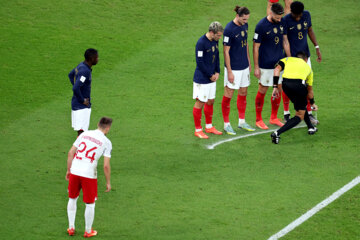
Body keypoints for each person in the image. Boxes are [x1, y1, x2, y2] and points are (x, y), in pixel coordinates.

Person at [65, 117, 113, 237]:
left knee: (72, 198)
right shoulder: (107, 142)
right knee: (90, 203)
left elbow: (71, 153)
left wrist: (68, 170)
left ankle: (71, 228)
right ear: (108, 128)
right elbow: (106, 166)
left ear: (98, 124)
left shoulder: (84, 134)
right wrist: (108, 182)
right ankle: (88, 231)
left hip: (75, 170)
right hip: (89, 174)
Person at [283, 1, 322, 124]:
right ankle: (286, 113)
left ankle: (309, 113)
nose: (298, 17)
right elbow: (285, 41)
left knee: (306, 85)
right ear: (291, 12)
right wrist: (289, 59)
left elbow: (310, 30)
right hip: (293, 58)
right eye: (296, 15)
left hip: (305, 57)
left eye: (300, 15)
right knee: (288, 85)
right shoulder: (286, 20)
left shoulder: (307, 15)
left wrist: (317, 47)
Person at [253, 3, 291, 130]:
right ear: (271, 12)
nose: (280, 19)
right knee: (263, 90)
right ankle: (258, 119)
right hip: (265, 64)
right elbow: (255, 47)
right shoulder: (261, 26)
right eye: (277, 17)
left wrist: (289, 60)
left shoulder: (282, 22)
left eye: (281, 17)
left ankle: (273, 117)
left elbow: (285, 41)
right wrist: (256, 66)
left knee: (279, 89)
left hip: (279, 64)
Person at [221, 6, 255, 135]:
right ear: (238, 16)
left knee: (243, 92)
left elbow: (245, 44)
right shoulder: (229, 29)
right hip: (233, 68)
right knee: (229, 94)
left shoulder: (245, 26)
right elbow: (226, 51)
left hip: (244, 66)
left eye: (247, 19)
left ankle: (242, 122)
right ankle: (226, 124)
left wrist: (249, 61)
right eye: (244, 19)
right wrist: (229, 71)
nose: (246, 21)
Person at [270, 52, 318, 144]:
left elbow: (276, 70)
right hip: (298, 86)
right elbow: (310, 91)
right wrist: (312, 103)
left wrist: (275, 87)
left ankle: (310, 127)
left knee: (301, 106)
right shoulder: (308, 68)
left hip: (286, 86)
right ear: (306, 60)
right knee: (299, 115)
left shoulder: (287, 59)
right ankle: (277, 133)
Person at [192, 21, 224, 139]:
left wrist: (217, 71)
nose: (219, 37)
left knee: (211, 101)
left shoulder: (215, 40)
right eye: (218, 35)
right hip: (202, 79)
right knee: (200, 102)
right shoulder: (201, 43)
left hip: (212, 78)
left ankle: (209, 126)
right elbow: (199, 62)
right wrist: (210, 74)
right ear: (211, 32)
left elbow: (217, 56)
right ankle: (198, 129)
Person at [69, 48, 99, 136]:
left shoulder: (81, 65)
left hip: (77, 104)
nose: (98, 59)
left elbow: (71, 75)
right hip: (81, 106)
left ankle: (79, 150)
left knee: (81, 133)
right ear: (92, 59)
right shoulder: (84, 71)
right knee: (82, 134)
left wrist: (78, 87)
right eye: (97, 57)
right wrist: (82, 100)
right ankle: (79, 150)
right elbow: (75, 88)